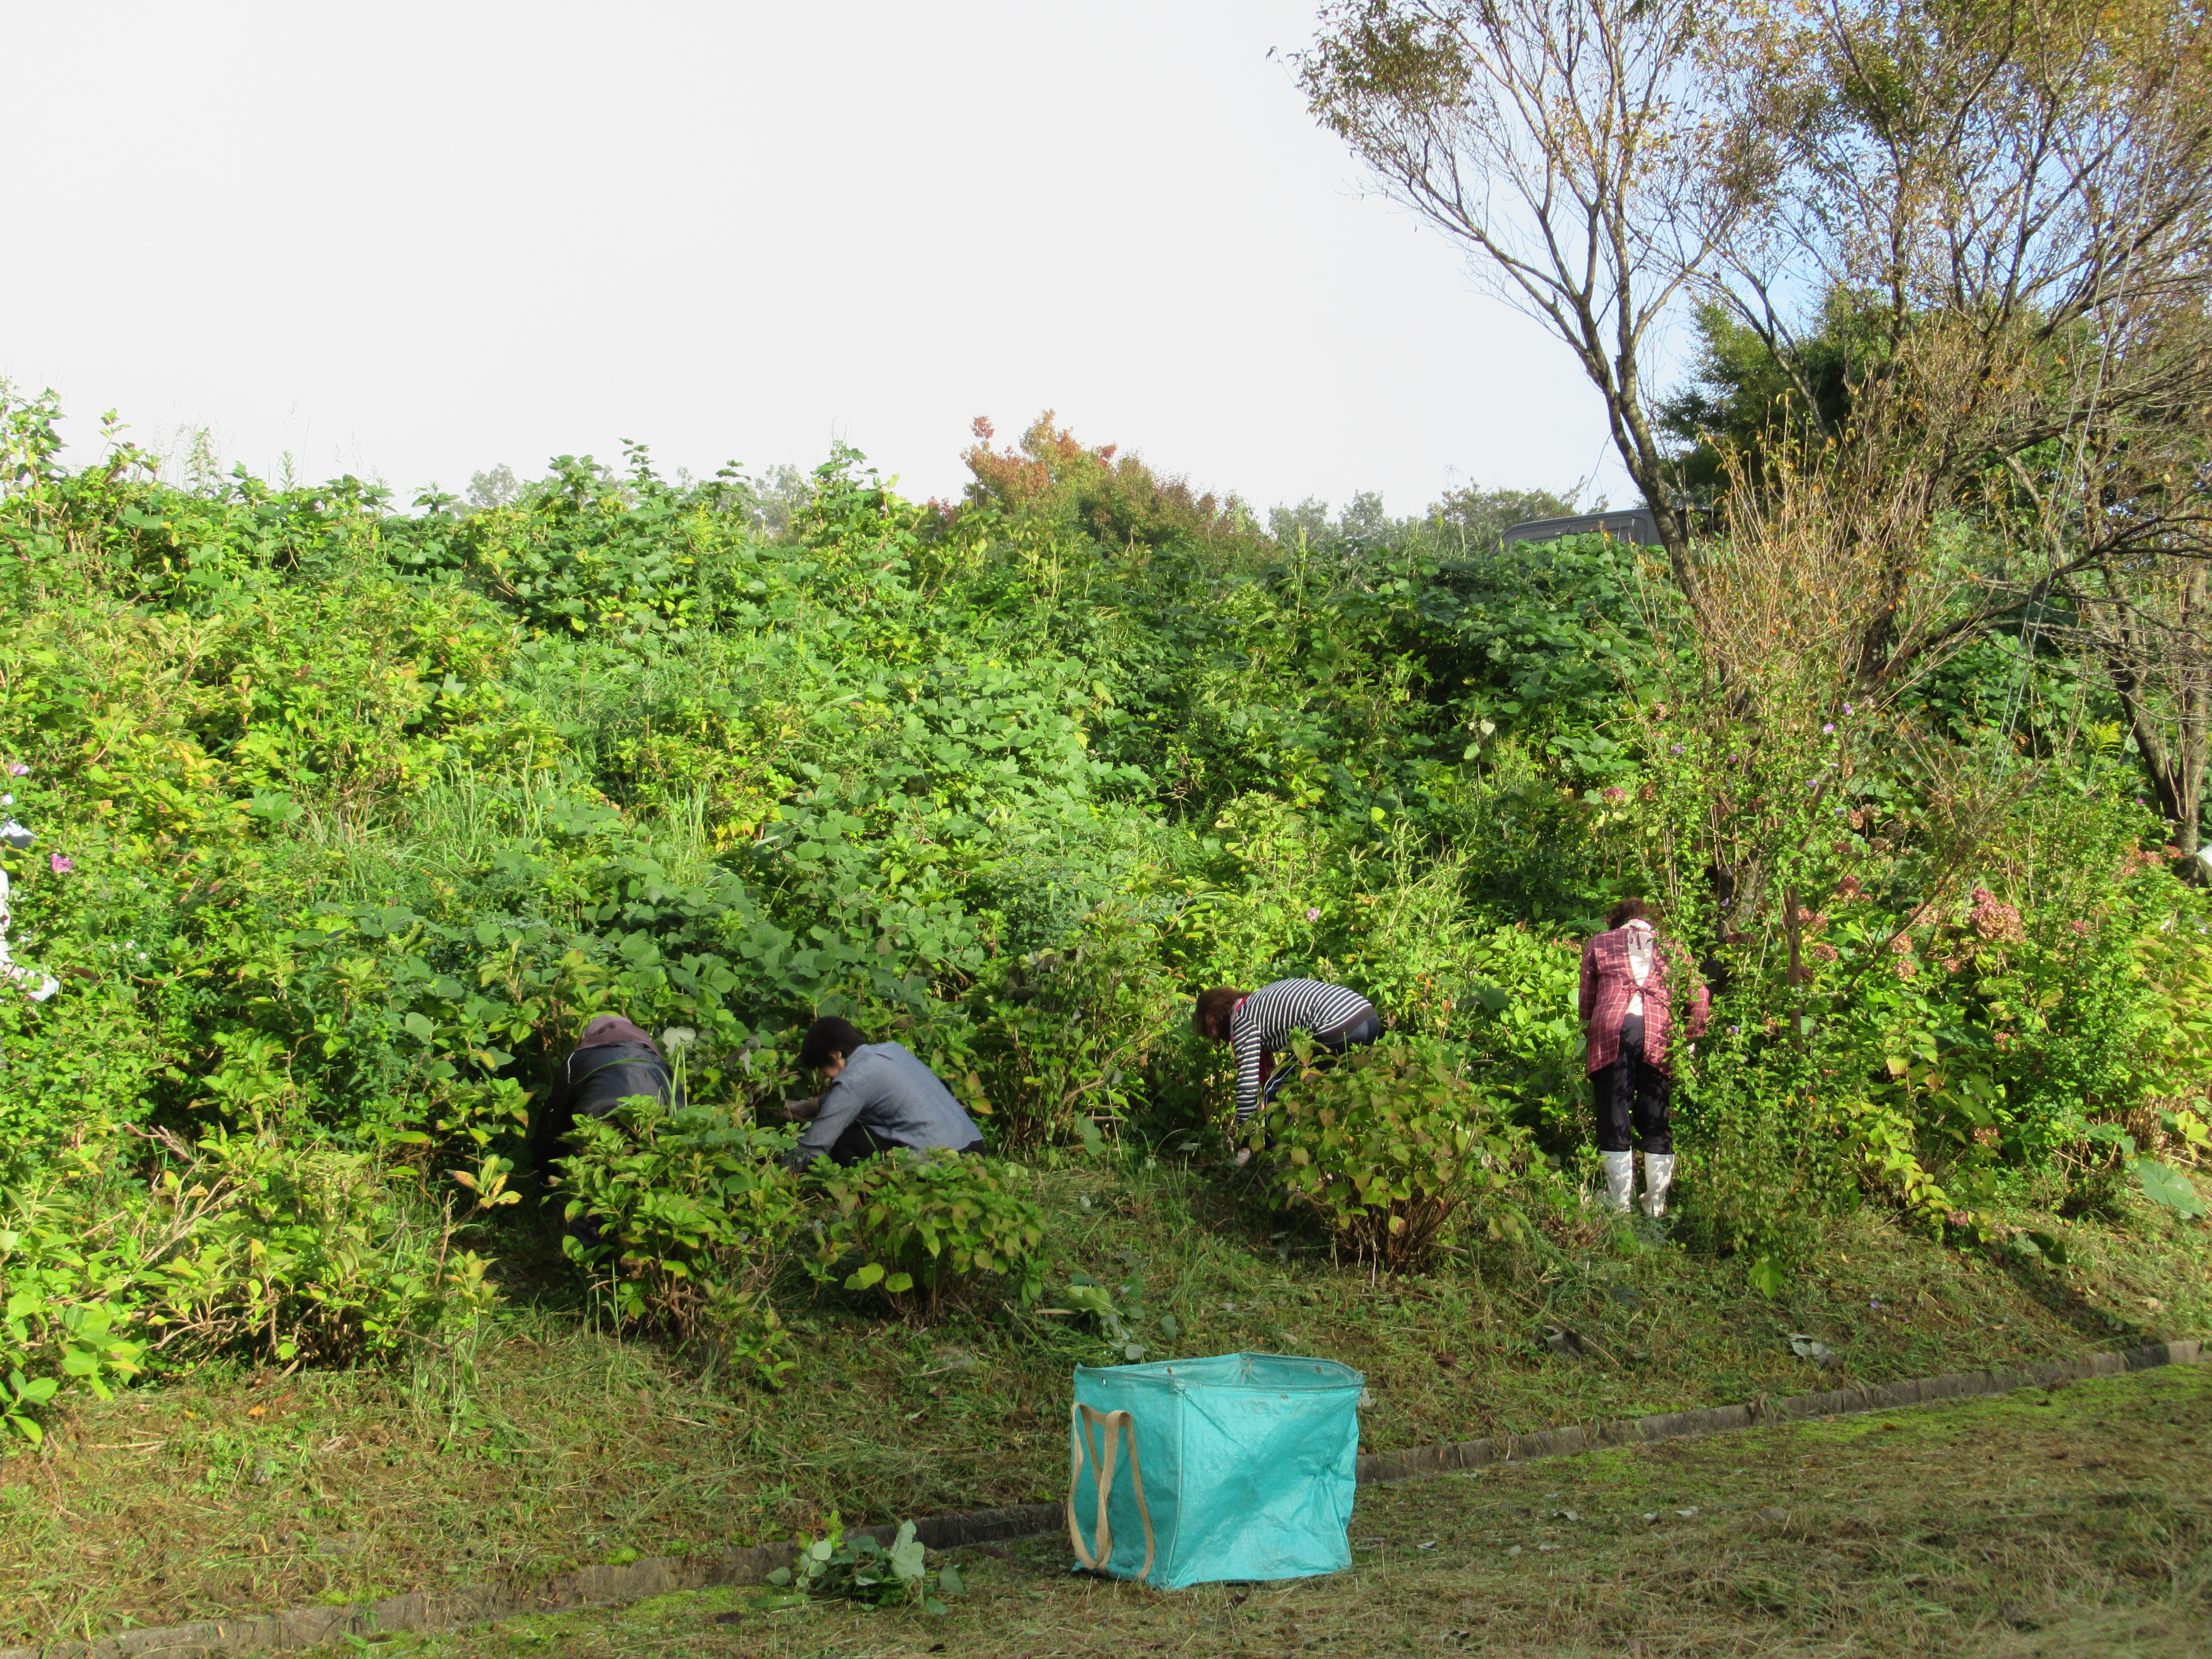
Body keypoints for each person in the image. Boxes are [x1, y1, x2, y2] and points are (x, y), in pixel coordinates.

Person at [1579, 897, 1708, 1217]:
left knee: (1614, 1113)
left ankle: (1617, 1203)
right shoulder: (1671, 947)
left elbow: (1586, 1002)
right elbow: (1701, 995)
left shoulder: (1600, 943)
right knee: (1656, 1118)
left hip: (1612, 1029)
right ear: (1651, 922)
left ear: (1617, 921)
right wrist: (1689, 1037)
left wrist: (1592, 1032)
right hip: (1659, 1033)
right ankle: (1655, 1207)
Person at [1193, 979, 1382, 1161]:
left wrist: (1245, 1144)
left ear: (1216, 1022)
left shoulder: (1242, 1019)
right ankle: (1330, 1159)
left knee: (1276, 1090)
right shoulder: (1259, 1003)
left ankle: (1278, 1162)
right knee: (1331, 1092)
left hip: (1336, 1022)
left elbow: (1247, 1087)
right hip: (1367, 1016)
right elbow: (1267, 1068)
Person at [780, 1016, 987, 1172]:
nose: (826, 1078)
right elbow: (852, 1098)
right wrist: (803, 1107)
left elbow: (815, 1145)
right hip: (974, 1150)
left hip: (939, 1163)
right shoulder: (891, 1051)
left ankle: (862, 1197)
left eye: (822, 1069)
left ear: (836, 1054)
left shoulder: (853, 1080)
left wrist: (777, 1175)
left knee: (841, 1135)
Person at [530, 1013, 682, 1171]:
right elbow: (679, 1109)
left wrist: (542, 1163)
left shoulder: (578, 1058)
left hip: (598, 1127)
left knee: (594, 1174)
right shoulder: (659, 1062)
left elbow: (555, 1115)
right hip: (651, 1130)